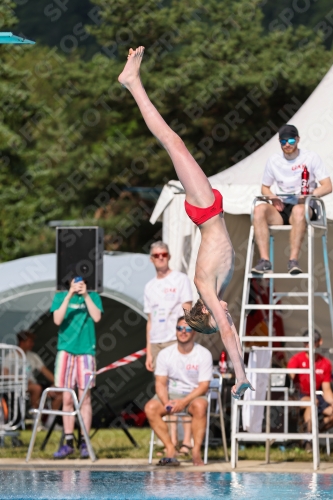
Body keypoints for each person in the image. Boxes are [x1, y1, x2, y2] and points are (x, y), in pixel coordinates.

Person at [118, 46, 252, 399]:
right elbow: (229, 330)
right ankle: (132, 83)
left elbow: (226, 333)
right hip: (209, 212)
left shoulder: (205, 290)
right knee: (172, 143)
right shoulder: (211, 290)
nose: (229, 316)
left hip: (206, 211)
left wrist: (240, 375)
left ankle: (132, 83)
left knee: (171, 141)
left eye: (220, 316)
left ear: (208, 314)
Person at [252, 124, 332, 275]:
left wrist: (310, 194)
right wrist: (272, 197)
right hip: (282, 208)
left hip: (304, 207)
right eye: (283, 141)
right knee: (258, 209)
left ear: (298, 140)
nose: (287, 144)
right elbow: (265, 187)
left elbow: (327, 186)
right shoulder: (273, 160)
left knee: (298, 210)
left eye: (290, 140)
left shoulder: (310, 157)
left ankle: (293, 260)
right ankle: (264, 260)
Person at [145, 316, 213, 466]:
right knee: (150, 408)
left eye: (188, 329)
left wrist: (183, 402)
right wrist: (167, 403)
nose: (183, 332)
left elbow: (203, 386)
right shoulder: (165, 354)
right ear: (175, 331)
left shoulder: (203, 354)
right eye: (180, 328)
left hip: (194, 394)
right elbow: (161, 384)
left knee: (200, 407)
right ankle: (170, 448)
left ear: (194, 332)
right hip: (171, 394)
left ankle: (195, 451)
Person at [50, 276, 103, 459]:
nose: (78, 284)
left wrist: (86, 295)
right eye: (74, 281)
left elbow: (96, 317)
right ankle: (68, 441)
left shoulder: (93, 296)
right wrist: (69, 294)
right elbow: (57, 320)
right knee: (67, 398)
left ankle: (85, 442)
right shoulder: (60, 296)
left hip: (86, 351)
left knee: (85, 398)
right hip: (65, 350)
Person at [144, 240, 192, 372]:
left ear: (169, 257)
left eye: (164, 254)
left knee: (177, 380)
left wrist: (186, 342)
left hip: (174, 340)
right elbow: (150, 321)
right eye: (156, 255)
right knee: (159, 383)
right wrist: (149, 351)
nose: (160, 257)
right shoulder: (149, 286)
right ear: (151, 259)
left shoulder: (181, 279)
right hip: (155, 342)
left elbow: (187, 312)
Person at [287, 330, 333, 452]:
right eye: (306, 343)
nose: (309, 345)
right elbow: (289, 377)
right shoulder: (296, 359)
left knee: (330, 410)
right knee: (313, 403)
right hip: (299, 395)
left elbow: (326, 390)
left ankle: (310, 434)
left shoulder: (325, 363)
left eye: (312, 342)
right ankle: (308, 440)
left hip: (317, 396)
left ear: (319, 342)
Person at [3, 331, 62, 413]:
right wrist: (21, 379)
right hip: (17, 387)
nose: (32, 344)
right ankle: (35, 418)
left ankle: (50, 422)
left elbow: (45, 371)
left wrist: (57, 384)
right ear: (22, 342)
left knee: (61, 392)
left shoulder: (33, 356)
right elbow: (4, 374)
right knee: (36, 388)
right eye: (30, 342)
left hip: (34, 384)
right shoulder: (10, 356)